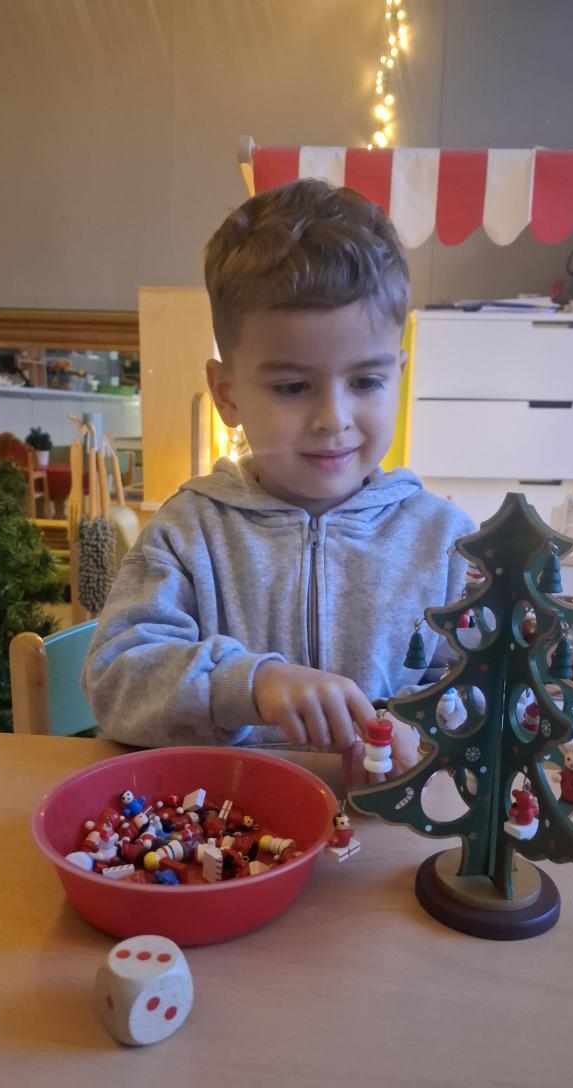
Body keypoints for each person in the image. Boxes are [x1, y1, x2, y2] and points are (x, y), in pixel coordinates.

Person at [81, 179, 473, 767]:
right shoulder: (189, 531)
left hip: (380, 821)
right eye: (292, 386)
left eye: (366, 381)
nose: (333, 418)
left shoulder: (444, 541)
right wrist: (248, 684)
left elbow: (494, 691)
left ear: (397, 373)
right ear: (227, 394)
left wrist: (425, 729)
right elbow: (116, 680)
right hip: (229, 817)